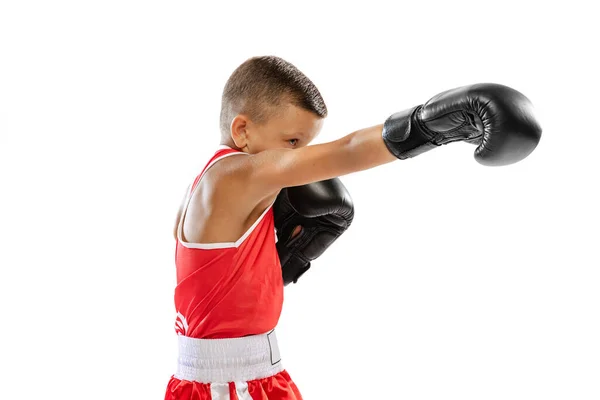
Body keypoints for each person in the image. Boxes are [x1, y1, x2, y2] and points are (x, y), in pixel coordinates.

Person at [164, 56, 542, 400]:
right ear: (242, 130)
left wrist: (285, 263)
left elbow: (219, 291)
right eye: (292, 142)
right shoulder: (234, 176)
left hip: (254, 376)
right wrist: (433, 126)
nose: (297, 158)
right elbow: (346, 149)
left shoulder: (219, 183)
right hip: (226, 386)